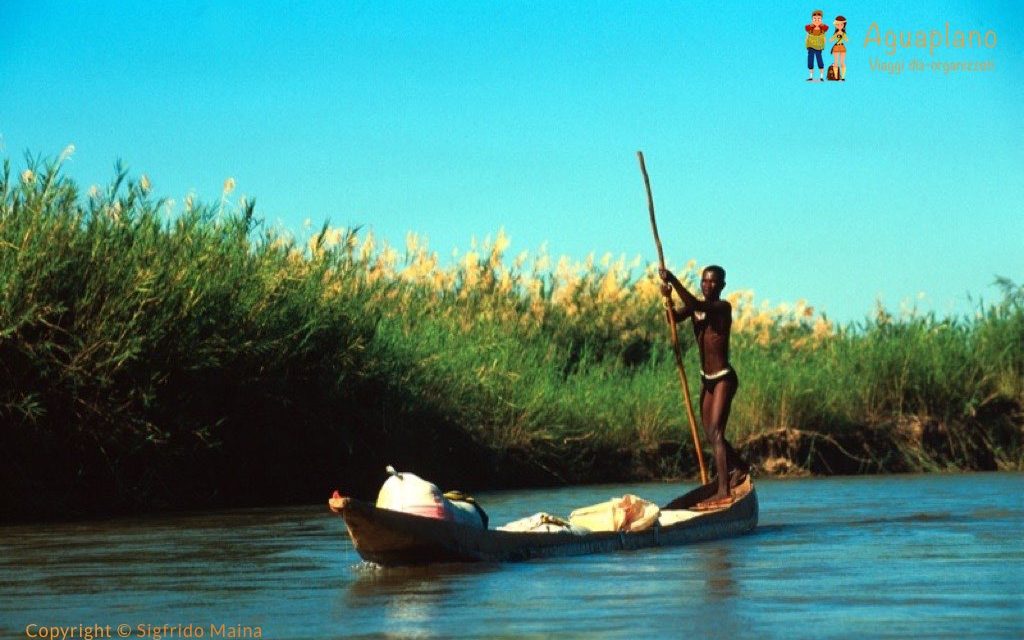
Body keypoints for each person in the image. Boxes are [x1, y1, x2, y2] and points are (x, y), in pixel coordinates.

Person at [660, 265, 749, 507]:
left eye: (712, 282)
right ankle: (740, 467)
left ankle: (723, 490)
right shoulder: (695, 308)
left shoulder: (722, 307)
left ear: (721, 286)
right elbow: (673, 318)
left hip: (723, 378)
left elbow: (697, 305)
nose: (707, 285)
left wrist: (674, 280)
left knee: (717, 433)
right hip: (705, 379)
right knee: (711, 433)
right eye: (704, 281)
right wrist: (666, 299)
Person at [805, 9, 829, 82]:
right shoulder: (809, 27)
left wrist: (821, 24)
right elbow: (806, 28)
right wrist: (812, 25)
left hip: (819, 47)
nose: (816, 20)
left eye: (819, 19)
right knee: (810, 60)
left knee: (819, 60)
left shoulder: (823, 28)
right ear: (812, 19)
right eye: (814, 19)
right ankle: (811, 76)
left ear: (821, 19)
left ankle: (821, 76)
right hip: (810, 46)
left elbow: (826, 27)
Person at [830, 16, 848, 81]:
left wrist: (842, 36)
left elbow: (847, 40)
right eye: (838, 24)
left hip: (842, 47)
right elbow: (831, 40)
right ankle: (836, 76)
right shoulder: (835, 33)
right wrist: (836, 36)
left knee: (842, 62)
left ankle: (842, 77)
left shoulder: (843, 34)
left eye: (841, 24)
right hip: (836, 47)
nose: (840, 26)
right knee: (836, 62)